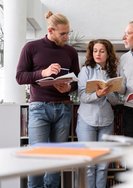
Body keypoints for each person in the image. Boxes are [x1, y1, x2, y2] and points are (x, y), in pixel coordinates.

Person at [16, 11, 80, 188]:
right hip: (39, 108)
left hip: (63, 109)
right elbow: (20, 77)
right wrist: (43, 73)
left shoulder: (70, 51)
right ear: (51, 31)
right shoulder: (31, 47)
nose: (67, 36)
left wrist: (69, 87)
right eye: (63, 34)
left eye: (68, 32)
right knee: (37, 157)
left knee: (55, 159)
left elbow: (78, 80)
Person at [76, 39, 120, 188]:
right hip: (86, 121)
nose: (98, 54)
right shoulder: (86, 70)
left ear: (108, 54)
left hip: (107, 121)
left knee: (102, 165)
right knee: (89, 164)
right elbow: (82, 96)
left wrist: (107, 92)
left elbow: (115, 102)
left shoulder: (113, 72)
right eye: (95, 51)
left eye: (102, 51)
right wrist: (98, 95)